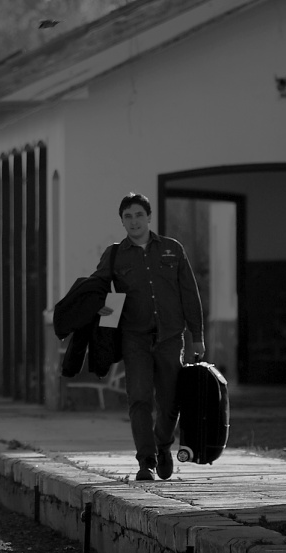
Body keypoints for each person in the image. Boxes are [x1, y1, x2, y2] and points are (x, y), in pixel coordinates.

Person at [93, 193, 205, 481]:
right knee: (140, 399)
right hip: (135, 338)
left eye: (138, 215)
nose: (134, 221)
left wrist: (197, 336)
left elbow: (189, 294)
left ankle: (163, 446)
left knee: (170, 401)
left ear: (149, 217)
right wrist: (103, 333)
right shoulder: (115, 254)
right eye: (128, 217)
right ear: (122, 221)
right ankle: (146, 461)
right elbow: (101, 293)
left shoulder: (172, 249)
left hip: (170, 338)